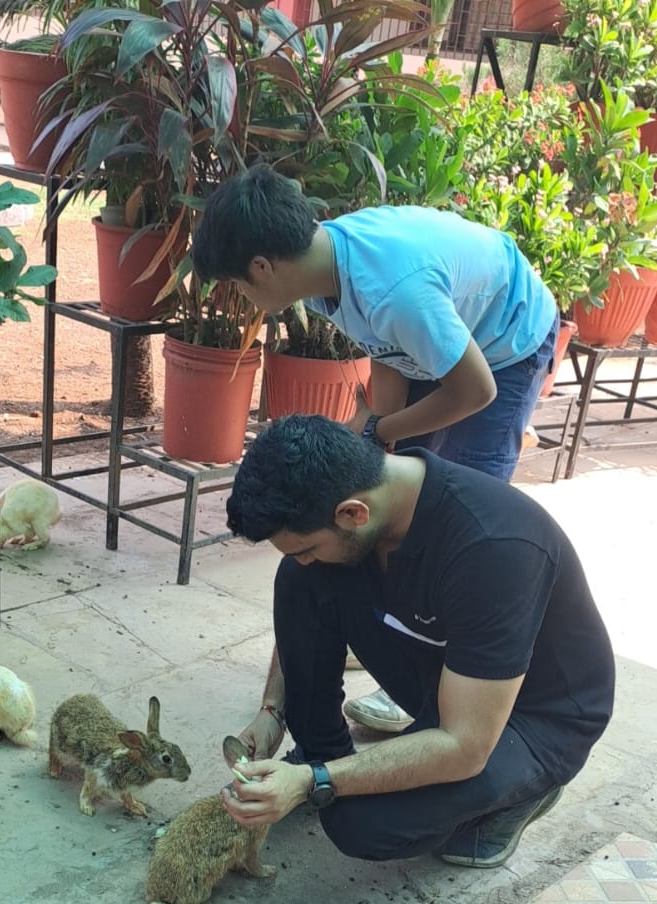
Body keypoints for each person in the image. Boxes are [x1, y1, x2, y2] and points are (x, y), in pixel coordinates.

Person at [192, 163, 560, 734]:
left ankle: (436, 682)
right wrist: (359, 438)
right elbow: (388, 369)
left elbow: (475, 389)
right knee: (368, 486)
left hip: (503, 346)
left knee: (452, 514)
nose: (243, 297)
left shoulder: (393, 291)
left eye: (239, 285)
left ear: (263, 267)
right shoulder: (326, 273)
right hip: (442, 334)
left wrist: (381, 434)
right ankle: (376, 633)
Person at [220, 416, 614, 869]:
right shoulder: (370, 513)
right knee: (299, 580)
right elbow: (306, 586)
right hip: (446, 669)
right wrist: (273, 711)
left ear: (353, 513)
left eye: (306, 546)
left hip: (533, 719)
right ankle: (318, 754)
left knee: (358, 823)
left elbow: (465, 744)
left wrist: (316, 782)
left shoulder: (495, 546)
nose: (305, 558)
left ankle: (520, 796)